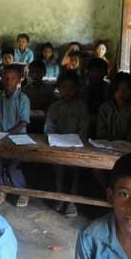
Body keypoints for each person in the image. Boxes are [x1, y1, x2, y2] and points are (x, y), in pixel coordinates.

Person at [44, 71, 90, 217]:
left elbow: (84, 128)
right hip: (58, 145)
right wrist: (54, 139)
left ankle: (72, 202)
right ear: (59, 88)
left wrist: (76, 142)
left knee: (76, 170)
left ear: (77, 89)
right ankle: (60, 198)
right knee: (59, 168)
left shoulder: (81, 107)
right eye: (64, 87)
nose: (67, 91)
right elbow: (49, 128)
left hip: (76, 146)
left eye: (71, 88)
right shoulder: (54, 107)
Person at [0, 65, 30, 208]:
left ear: (19, 80)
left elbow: (23, 121)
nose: (8, 81)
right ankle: (1, 190)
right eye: (5, 78)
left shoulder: (23, 98)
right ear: (1, 79)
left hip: (18, 138)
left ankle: (22, 191)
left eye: (13, 78)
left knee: (14, 167)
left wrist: (8, 134)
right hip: (0, 138)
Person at [97, 72, 131, 143]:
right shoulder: (104, 109)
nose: (122, 92)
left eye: (126, 89)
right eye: (118, 88)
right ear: (113, 89)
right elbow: (101, 134)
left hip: (128, 149)